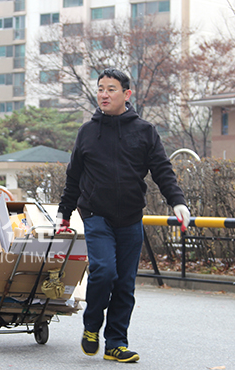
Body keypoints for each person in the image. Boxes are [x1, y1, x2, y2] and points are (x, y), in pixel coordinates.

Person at [57, 68, 190, 363]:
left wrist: (177, 202)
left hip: (130, 217)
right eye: (100, 89)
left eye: (111, 89)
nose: (104, 94)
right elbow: (73, 176)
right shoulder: (88, 132)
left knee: (125, 283)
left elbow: (162, 171)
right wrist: (63, 213)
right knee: (104, 271)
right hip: (95, 214)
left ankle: (116, 342)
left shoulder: (145, 132)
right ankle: (92, 325)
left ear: (127, 94)